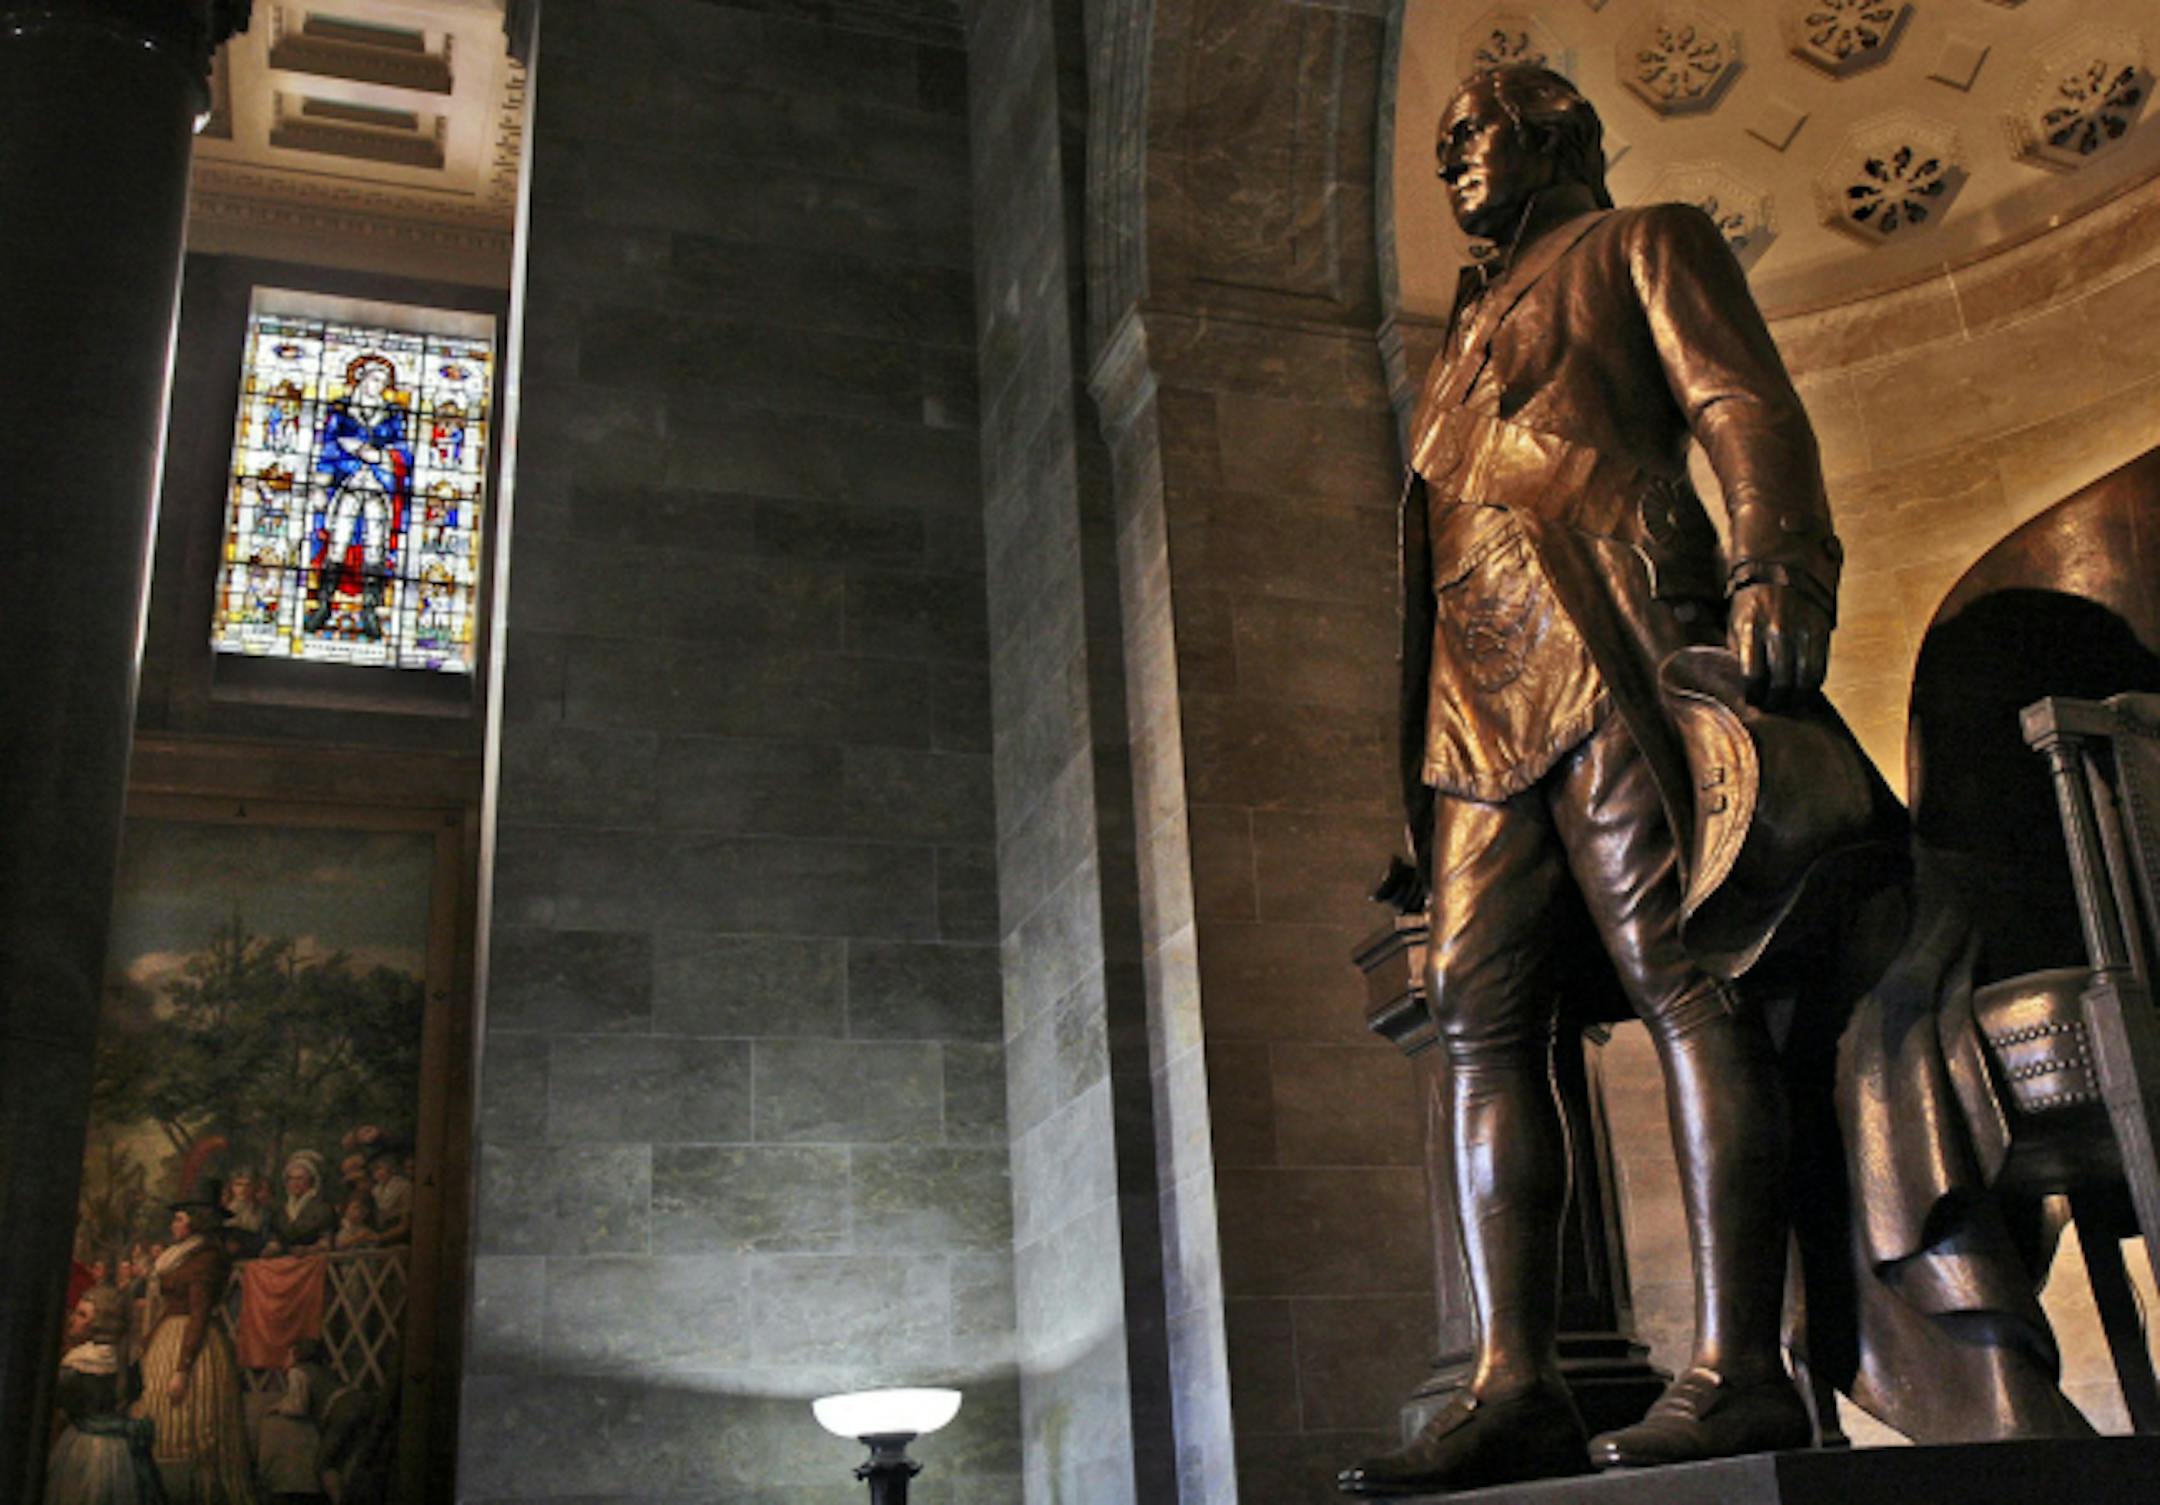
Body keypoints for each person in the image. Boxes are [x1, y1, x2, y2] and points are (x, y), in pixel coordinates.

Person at [1334, 64, 1864, 1495]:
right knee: (1483, 1024)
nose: (1452, 154)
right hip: (1471, 708)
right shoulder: (1456, 335)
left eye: (1479, 130)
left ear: (1559, 134)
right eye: (1442, 142)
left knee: (1686, 979)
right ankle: (1517, 1379)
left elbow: (1742, 403)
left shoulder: (1646, 239)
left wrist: (1775, 563)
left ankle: (1743, 1366)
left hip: (1605, 635)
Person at [135, 1189, 258, 1505]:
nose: (173, 1225)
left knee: (193, 1424)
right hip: (170, 1334)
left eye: (178, 1218)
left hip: (195, 1345)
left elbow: (199, 1314)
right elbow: (170, 1306)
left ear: (196, 1222)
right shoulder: (181, 1256)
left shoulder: (209, 1258)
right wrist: (148, 1342)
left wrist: (182, 1369)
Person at [304, 355, 411, 641]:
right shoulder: (340, 411)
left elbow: (404, 451)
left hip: (379, 486)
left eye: (384, 382)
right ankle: (323, 604)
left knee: (376, 545)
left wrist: (380, 456)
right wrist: (319, 485)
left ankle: (370, 609)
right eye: (374, 379)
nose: (378, 386)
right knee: (337, 540)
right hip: (346, 483)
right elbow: (327, 448)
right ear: (361, 378)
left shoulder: (392, 415)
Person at [45, 1286, 164, 1505]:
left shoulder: (79, 1363)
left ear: (99, 1323)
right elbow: (135, 1392)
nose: (73, 1319)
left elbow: (57, 1401)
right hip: (121, 1451)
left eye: (82, 1315)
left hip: (84, 1448)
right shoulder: (127, 1358)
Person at [254, 1339, 334, 1504]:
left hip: (341, 1410)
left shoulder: (297, 1372)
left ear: (296, 1355)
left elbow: (297, 1407)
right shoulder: (320, 1370)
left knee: (324, 1464)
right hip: (352, 1400)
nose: (284, 1359)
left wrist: (278, 1408)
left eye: (288, 1354)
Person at [263, 1154, 336, 1256]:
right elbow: (274, 1236)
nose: (295, 1183)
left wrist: (308, 1250)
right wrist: (272, 1246)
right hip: (284, 1262)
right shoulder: (279, 1209)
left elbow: (326, 1243)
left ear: (310, 1180)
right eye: (291, 1179)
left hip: (313, 1262)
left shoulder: (322, 1208)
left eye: (300, 1178)